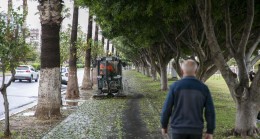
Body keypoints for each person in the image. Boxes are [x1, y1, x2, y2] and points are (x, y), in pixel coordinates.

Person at [161, 59, 216, 139]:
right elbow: (210, 111)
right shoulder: (203, 88)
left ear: (182, 70)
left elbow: (167, 108)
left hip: (178, 129)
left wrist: (164, 125)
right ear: (196, 71)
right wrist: (210, 131)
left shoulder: (175, 87)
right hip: (196, 130)